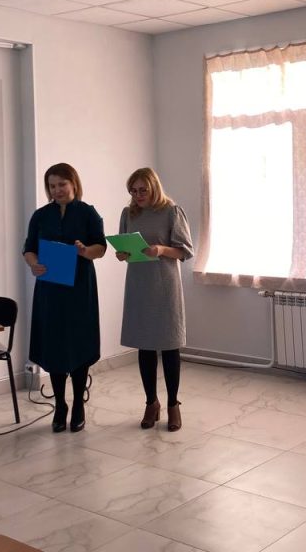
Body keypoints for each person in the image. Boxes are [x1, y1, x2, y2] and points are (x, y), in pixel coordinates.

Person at [23, 163, 106, 433]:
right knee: (55, 345)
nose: (57, 190)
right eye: (52, 186)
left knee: (79, 343)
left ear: (73, 184)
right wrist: (34, 264)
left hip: (80, 288)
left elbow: (101, 248)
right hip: (50, 289)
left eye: (62, 184)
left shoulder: (88, 212)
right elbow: (29, 249)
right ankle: (60, 405)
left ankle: (78, 404)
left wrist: (84, 251)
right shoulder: (40, 215)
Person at [116, 167, 193, 432]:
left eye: (142, 190)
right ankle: (151, 402)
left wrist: (160, 249)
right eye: (133, 191)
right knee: (145, 346)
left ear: (154, 188)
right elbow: (124, 247)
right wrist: (122, 254)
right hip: (138, 285)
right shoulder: (128, 213)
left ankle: (173, 404)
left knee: (170, 346)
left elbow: (185, 251)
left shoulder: (171, 211)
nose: (138, 195)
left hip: (165, 286)